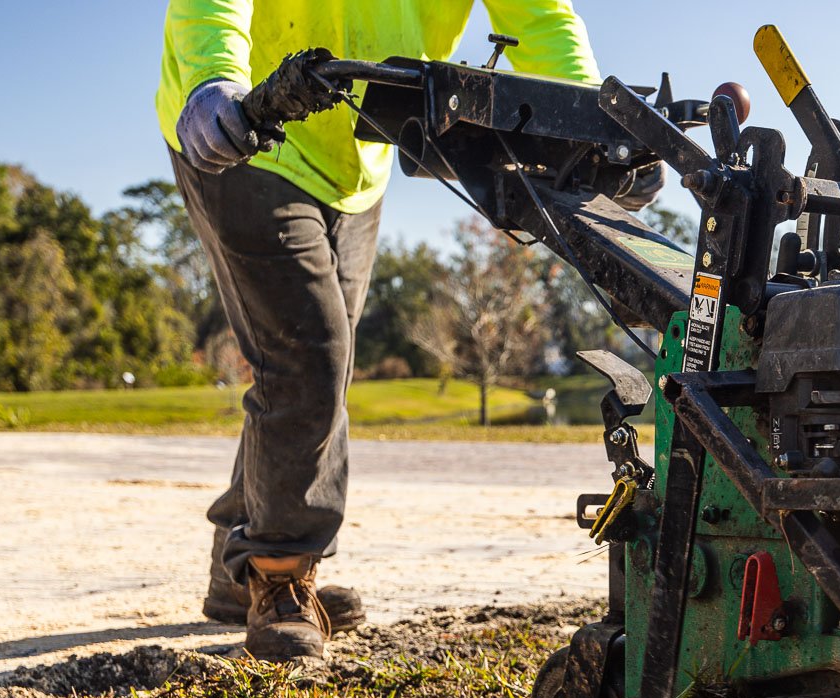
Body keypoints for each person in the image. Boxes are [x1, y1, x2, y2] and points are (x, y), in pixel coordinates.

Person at [158, 1, 609, 659]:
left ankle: (245, 560)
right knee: (310, 352)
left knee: (312, 365)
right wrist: (209, 77)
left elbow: (540, 17)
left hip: (355, 156)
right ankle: (281, 575)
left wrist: (591, 127)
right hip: (240, 124)